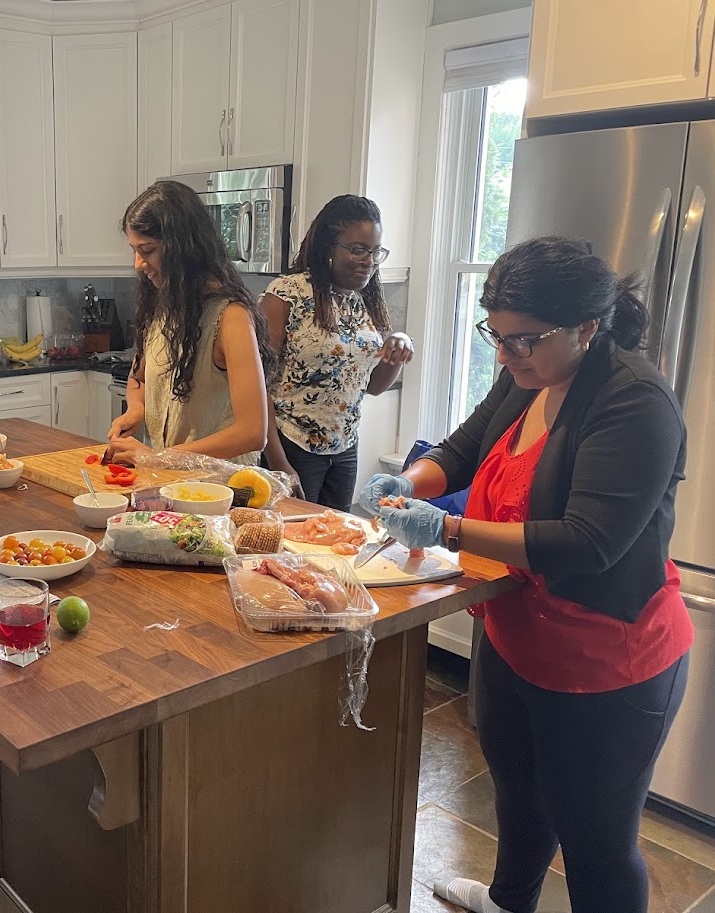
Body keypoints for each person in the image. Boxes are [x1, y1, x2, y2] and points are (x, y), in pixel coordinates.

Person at [359, 237, 691, 913]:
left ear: (586, 328)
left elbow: (587, 541)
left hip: (605, 658)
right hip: (516, 633)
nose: (506, 355)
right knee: (519, 792)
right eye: (498, 336)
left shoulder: (633, 401)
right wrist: (409, 484)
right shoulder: (528, 374)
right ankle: (508, 902)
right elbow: (461, 449)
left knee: (596, 841)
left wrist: (445, 529)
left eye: (524, 340)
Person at [105, 181, 274, 465]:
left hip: (224, 484)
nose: (138, 264)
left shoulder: (231, 318)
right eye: (134, 250)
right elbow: (138, 378)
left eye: (148, 250)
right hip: (173, 479)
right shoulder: (162, 307)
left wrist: (159, 457)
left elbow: (253, 433)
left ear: (184, 249)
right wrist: (137, 409)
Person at [261, 194, 412, 509]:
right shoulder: (288, 294)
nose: (369, 261)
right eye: (358, 250)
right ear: (328, 247)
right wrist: (278, 462)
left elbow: (372, 386)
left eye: (375, 251)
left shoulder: (364, 300)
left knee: (332, 535)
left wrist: (397, 348)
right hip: (291, 443)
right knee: (290, 535)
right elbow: (257, 385)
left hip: (344, 449)